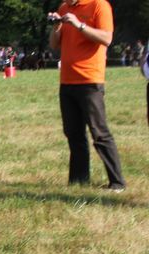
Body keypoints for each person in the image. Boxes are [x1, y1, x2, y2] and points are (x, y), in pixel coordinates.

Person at [49, 0, 126, 191]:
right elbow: (54, 44)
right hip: (67, 81)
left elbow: (106, 39)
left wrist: (78, 24)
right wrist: (57, 25)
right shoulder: (64, 7)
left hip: (90, 81)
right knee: (73, 134)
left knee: (99, 133)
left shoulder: (99, 5)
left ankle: (117, 182)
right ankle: (78, 181)